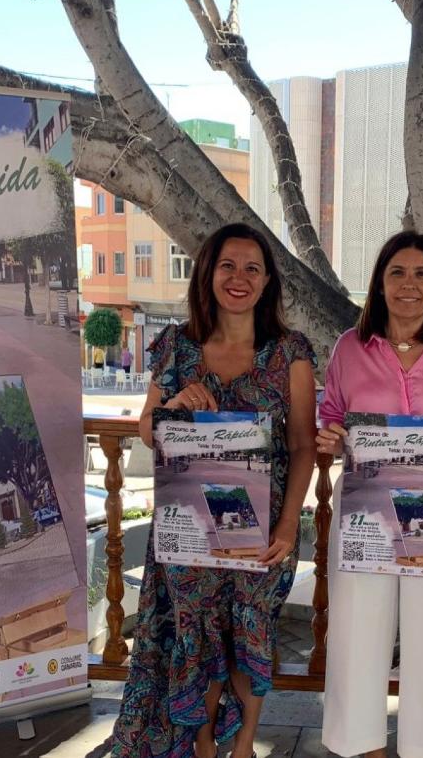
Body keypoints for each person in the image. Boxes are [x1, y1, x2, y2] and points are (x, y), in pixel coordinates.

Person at [110, 223, 318, 758]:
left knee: (250, 634)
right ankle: (204, 747)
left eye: (252, 268)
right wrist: (173, 408)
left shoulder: (289, 353)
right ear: (208, 272)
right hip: (188, 529)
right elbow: (147, 427)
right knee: (195, 641)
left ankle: (243, 746)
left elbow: (302, 445)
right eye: (228, 265)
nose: (239, 277)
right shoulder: (177, 347)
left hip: (263, 528)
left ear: (267, 280)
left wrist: (289, 523)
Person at [317, 230, 423, 758]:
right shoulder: (350, 347)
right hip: (364, 511)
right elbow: (330, 415)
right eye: (397, 273)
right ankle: (361, 749)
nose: (408, 284)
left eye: (421, 274)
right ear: (379, 283)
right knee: (356, 634)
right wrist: (329, 436)